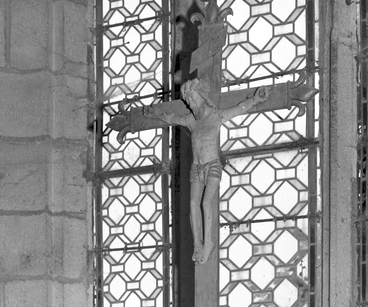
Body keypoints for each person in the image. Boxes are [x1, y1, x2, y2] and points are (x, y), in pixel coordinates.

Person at [108, 78, 268, 265]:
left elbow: (239, 108)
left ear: (202, 96)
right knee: (193, 204)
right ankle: (197, 244)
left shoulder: (216, 116)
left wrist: (255, 99)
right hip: (196, 167)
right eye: (187, 100)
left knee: (206, 203)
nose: (190, 103)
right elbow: (171, 118)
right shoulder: (191, 121)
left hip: (212, 165)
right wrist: (155, 113)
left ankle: (209, 242)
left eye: (192, 98)